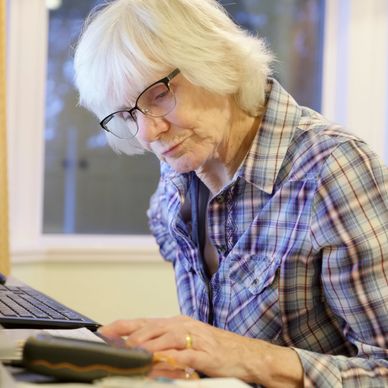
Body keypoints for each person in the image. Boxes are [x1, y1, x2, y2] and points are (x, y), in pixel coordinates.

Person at [73, 0, 388, 386]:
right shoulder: (177, 177)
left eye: (158, 94)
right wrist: (184, 363)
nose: (147, 134)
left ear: (215, 61)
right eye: (128, 115)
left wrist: (242, 356)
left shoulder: (333, 168)